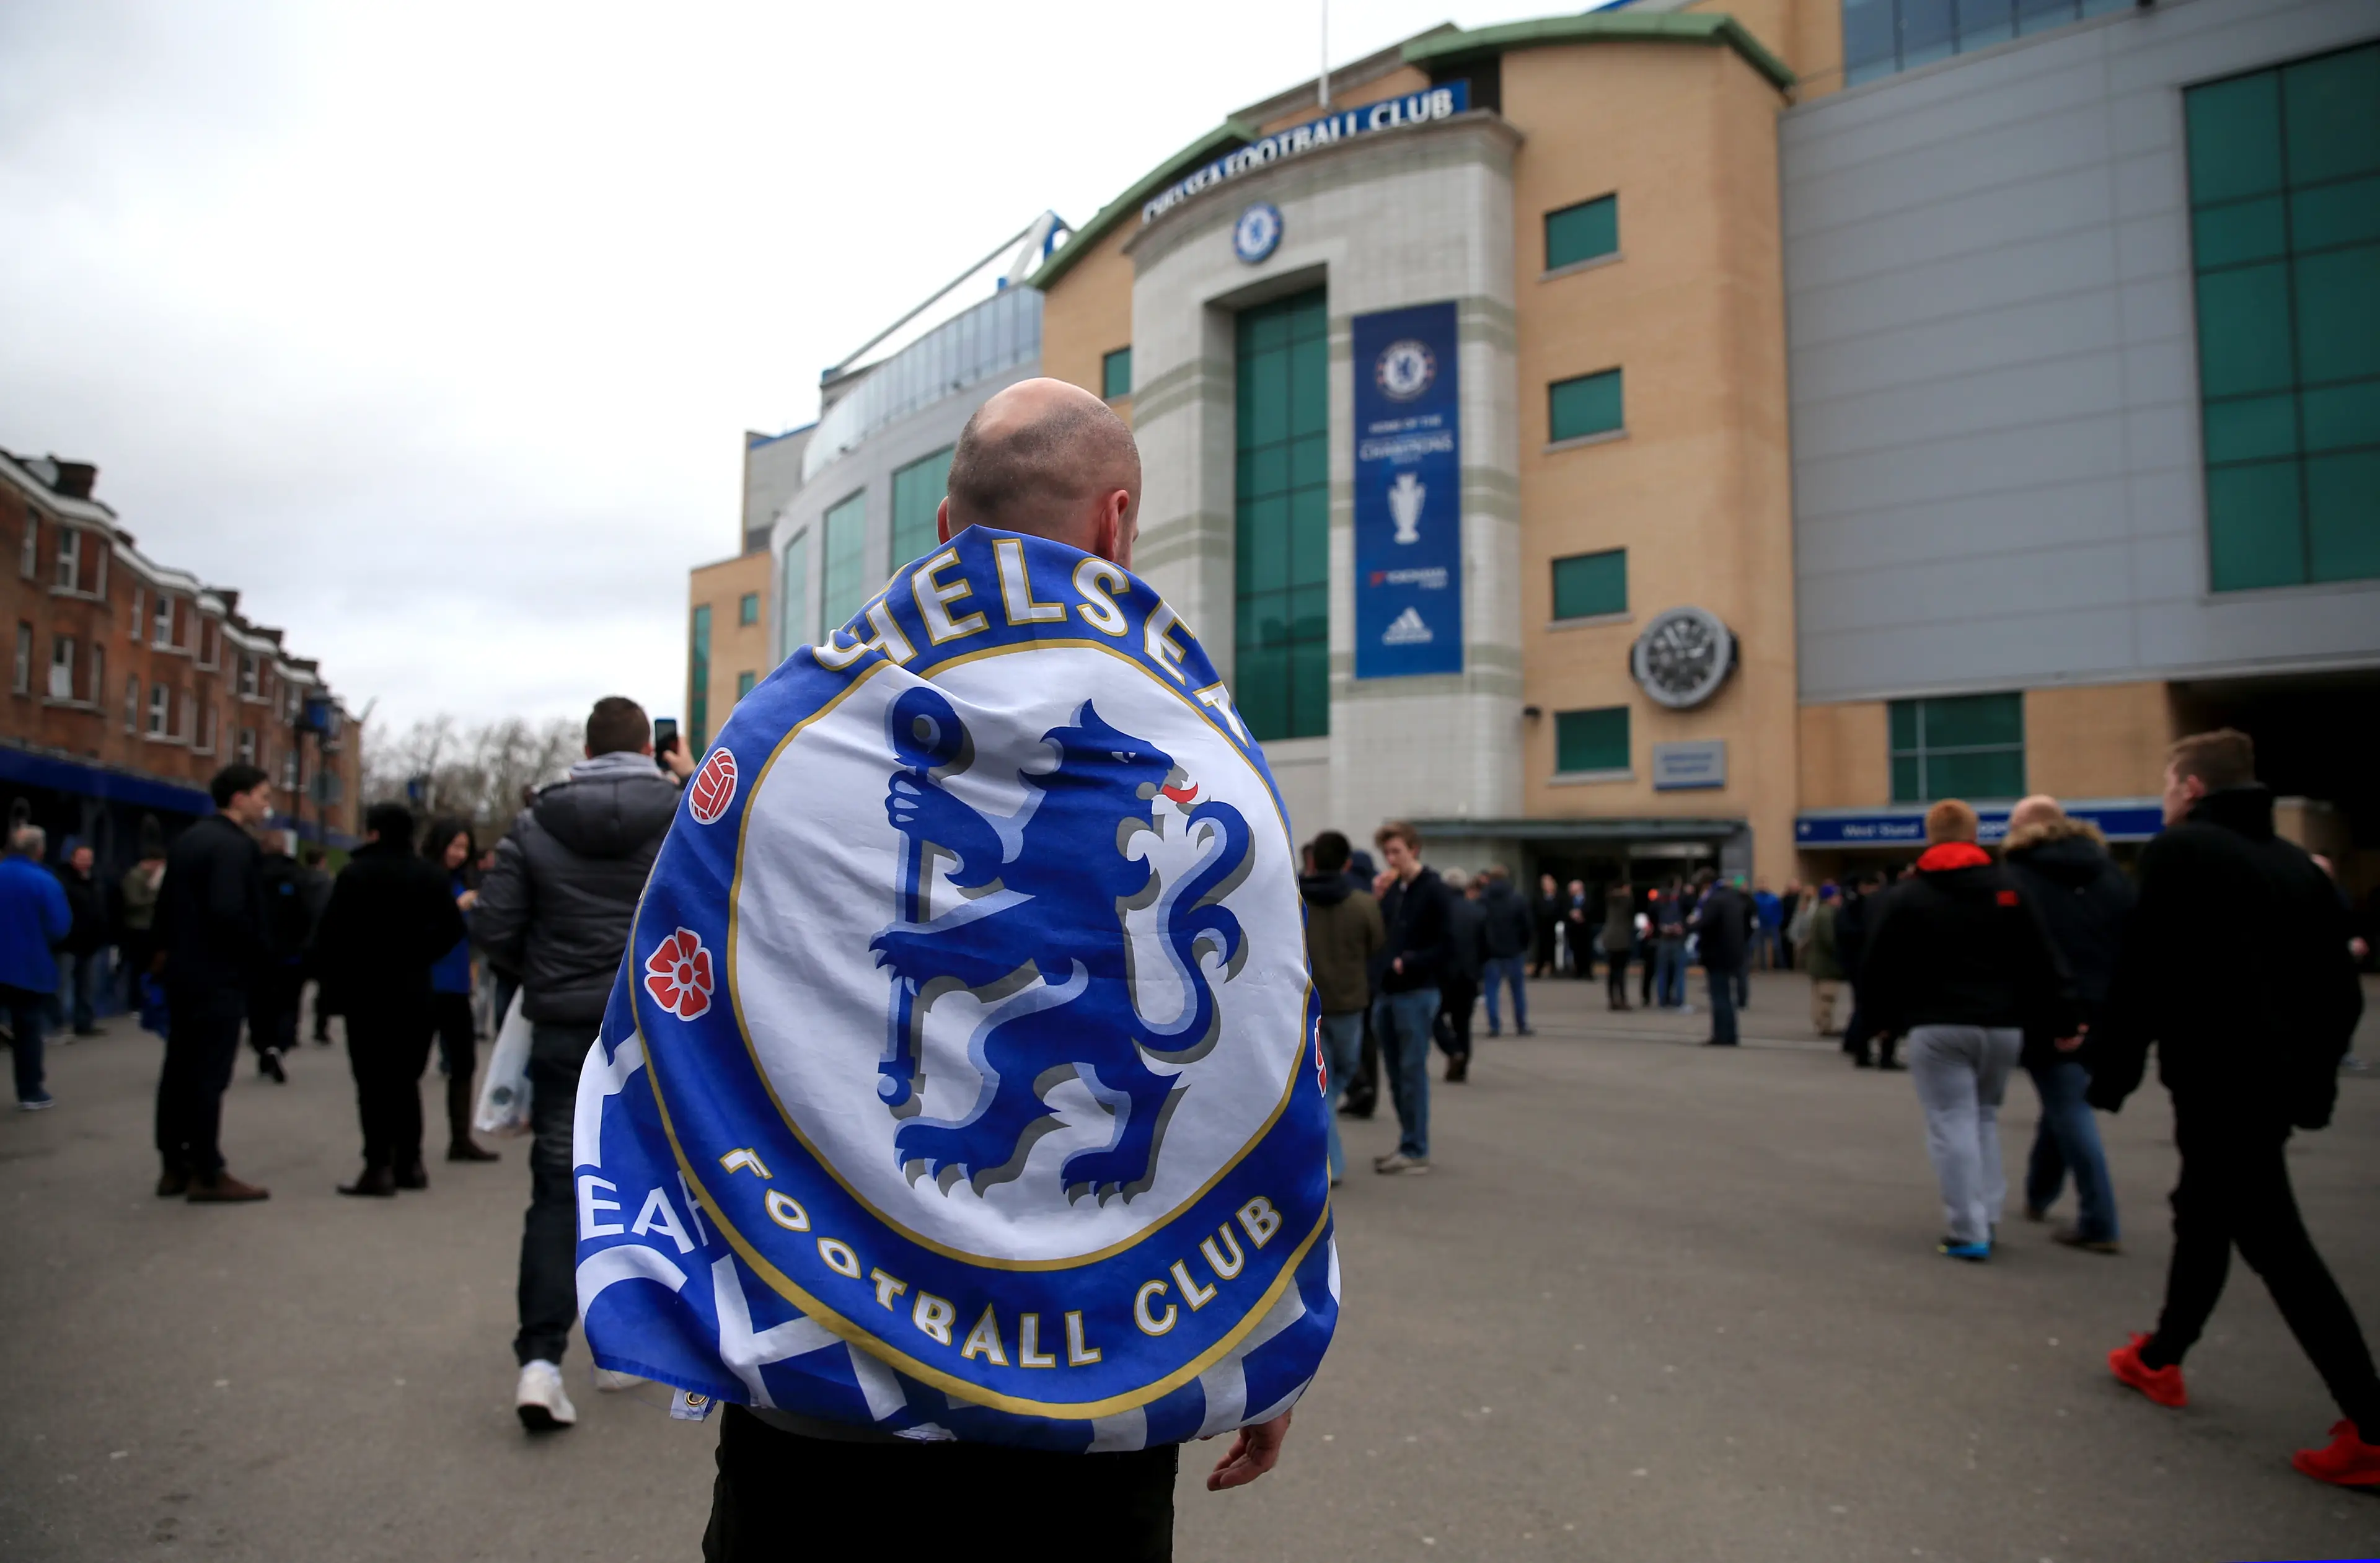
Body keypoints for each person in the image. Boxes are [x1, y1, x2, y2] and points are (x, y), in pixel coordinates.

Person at [684, 378, 1300, 1554]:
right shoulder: (1213, 753)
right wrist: (1261, 1344)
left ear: (944, 530)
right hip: (1092, 1402)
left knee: (1027, 1045)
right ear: (1119, 525)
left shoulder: (781, 735)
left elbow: (679, 1019)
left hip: (820, 1393)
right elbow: (1270, 1077)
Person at [2086, 730, 2379, 1488]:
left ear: (2188, 787)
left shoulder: (2183, 852)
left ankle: (2371, 1424)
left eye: (2164, 782)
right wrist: (2312, 1083)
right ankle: (2162, 1355)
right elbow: (2341, 992)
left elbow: (2146, 966)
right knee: (2204, 1212)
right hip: (2270, 1083)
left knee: (2277, 1244)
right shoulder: (2296, 868)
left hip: (2219, 1076)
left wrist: (2111, 1071)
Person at [477, 695, 686, 1430]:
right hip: (654, 1028)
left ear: (587, 746)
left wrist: (542, 973)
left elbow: (495, 924)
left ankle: (539, 1363)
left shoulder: (535, 821)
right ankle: (621, 1350)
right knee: (648, 1181)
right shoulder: (680, 807)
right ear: (647, 745)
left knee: (556, 1188)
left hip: (565, 1029)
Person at [1859, 799, 2074, 1261]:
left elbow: (1879, 964)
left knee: (1950, 1120)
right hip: (2001, 1024)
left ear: (1930, 835)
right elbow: (2041, 956)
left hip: (1938, 1023)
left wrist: (1879, 1021)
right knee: (1983, 1117)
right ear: (1976, 834)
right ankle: (1988, 1214)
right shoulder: (2008, 887)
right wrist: (2062, 1016)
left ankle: (1967, 1226)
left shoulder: (1910, 896)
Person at [314, 803, 470, 1196]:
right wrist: (419, 953)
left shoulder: (355, 875)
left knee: (372, 1082)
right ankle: (411, 1163)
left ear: (373, 832)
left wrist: (330, 992)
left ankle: (378, 1165)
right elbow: (452, 929)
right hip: (416, 990)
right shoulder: (430, 877)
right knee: (406, 1080)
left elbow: (330, 937)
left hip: (367, 993)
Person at [2000, 795, 2128, 1254]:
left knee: (2069, 1106)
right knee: (2063, 1100)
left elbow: (2019, 946)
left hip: (2052, 1005)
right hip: (2108, 1006)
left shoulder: (2020, 877)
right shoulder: (2110, 875)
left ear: (2025, 827)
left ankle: (2100, 1219)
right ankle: (2039, 1192)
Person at [153, 764, 275, 1201]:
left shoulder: (188, 840)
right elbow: (229, 911)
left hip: (184, 971)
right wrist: (258, 952)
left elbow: (165, 908)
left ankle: (174, 1163)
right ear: (238, 798)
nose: (267, 805)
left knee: (180, 1066)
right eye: (262, 796)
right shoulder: (234, 847)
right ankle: (208, 1169)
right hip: (219, 974)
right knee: (208, 1073)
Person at [1302, 830, 1382, 1186]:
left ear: (1313, 861)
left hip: (1309, 1001)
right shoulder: (1364, 904)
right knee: (1336, 1077)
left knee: (1325, 1083)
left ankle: (1324, 1149)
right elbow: (1376, 945)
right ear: (1348, 863)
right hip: (1349, 1002)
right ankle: (1331, 1157)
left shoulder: (1296, 899)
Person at [1370, 821, 1448, 1175]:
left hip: (1417, 990)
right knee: (1396, 1073)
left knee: (1412, 1071)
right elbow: (1380, 935)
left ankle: (1416, 1148)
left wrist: (1409, 961)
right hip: (1389, 991)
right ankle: (1407, 1143)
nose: (1391, 858)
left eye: (1397, 851)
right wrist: (1379, 898)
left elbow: (1447, 943)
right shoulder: (1394, 891)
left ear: (1414, 850)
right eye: (1387, 853)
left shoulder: (1432, 889)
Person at [424, 817, 497, 1163]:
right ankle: (403, 1145)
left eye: (464, 848)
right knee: (412, 1063)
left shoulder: (463, 881)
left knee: (464, 1062)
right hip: (425, 982)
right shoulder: (425, 879)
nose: (459, 854)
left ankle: (460, 1138)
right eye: (454, 846)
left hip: (456, 984)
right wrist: (458, 907)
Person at [0, 825, 73, 1108]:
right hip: (27, 968)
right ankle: (30, 1091)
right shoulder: (44, 881)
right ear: (39, 851)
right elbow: (59, 927)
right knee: (28, 1030)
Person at [247, 830, 313, 1081]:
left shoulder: (252, 874)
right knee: (287, 1001)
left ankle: (263, 1045)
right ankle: (280, 1044)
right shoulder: (298, 876)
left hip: (259, 952)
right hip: (291, 953)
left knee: (260, 1001)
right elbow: (307, 914)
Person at [50, 842, 108, 1038]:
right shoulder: (63, 881)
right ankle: (57, 1025)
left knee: (86, 986)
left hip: (89, 943)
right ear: (73, 859)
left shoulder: (94, 881)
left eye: (89, 858)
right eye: (82, 858)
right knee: (62, 985)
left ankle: (84, 1023)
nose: (86, 862)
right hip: (68, 942)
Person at [1434, 869, 1484, 1081]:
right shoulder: (1478, 912)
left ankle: (1453, 1050)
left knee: (1434, 1017)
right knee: (1463, 1022)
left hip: (1443, 974)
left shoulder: (1438, 912)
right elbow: (1486, 945)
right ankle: (1461, 1067)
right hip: (1469, 975)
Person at [1690, 870, 1749, 1046]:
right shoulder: (1733, 898)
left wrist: (1690, 924)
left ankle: (1721, 1036)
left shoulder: (1714, 900)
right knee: (1728, 997)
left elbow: (1705, 923)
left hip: (1716, 954)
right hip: (1733, 952)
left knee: (1719, 997)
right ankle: (1731, 1035)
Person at [1477, 865, 1533, 1038]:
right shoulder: (1517, 899)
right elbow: (1527, 926)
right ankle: (1521, 1024)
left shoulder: (1483, 900)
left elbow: (1478, 926)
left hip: (1491, 953)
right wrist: (1524, 945)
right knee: (1517, 991)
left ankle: (1494, 1026)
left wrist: (1481, 948)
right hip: (1514, 950)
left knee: (1491, 991)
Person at [115, 842, 165, 1008]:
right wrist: (154, 894)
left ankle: (145, 998)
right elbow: (133, 901)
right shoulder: (135, 877)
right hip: (136, 928)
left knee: (148, 965)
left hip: (149, 927)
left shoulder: (152, 878)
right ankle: (133, 1001)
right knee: (137, 966)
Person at [296, 847, 335, 1044]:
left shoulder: (297, 881)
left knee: (294, 988)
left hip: (298, 942)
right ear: (322, 862)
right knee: (324, 989)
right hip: (322, 943)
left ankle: (291, 1030)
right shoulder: (328, 884)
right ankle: (321, 1029)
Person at [1802, 884, 1845, 1035]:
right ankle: (1825, 1026)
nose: (1839, 899)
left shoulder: (1820, 912)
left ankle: (1820, 1022)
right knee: (1827, 996)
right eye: (1837, 896)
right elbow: (1831, 940)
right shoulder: (1828, 915)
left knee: (1818, 996)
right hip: (1827, 965)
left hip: (1818, 963)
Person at [1651, 883, 1689, 1011]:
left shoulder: (1658, 904)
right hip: (1677, 940)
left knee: (1663, 972)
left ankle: (1663, 1000)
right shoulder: (1678, 903)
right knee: (1679, 973)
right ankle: (1679, 1000)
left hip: (1664, 940)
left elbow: (1652, 919)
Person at [1602, 883, 1634, 1011]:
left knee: (1611, 971)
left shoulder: (1611, 900)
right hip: (1622, 940)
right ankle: (1622, 999)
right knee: (1621, 971)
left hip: (1610, 939)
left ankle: (1612, 999)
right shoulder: (1627, 901)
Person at [1530, 871, 1562, 980]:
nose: (1547, 886)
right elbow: (1534, 911)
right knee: (1541, 949)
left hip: (1555, 928)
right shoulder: (1538, 897)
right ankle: (1538, 969)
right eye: (1544, 883)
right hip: (1542, 928)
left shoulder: (1559, 897)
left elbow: (1562, 911)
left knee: (1555, 948)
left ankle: (1555, 969)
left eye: (1549, 883)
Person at [1753, 879, 1782, 972]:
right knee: (1761, 947)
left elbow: (1779, 911)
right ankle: (1763, 967)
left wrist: (1777, 922)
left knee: (1776, 946)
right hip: (1760, 926)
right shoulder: (1755, 898)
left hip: (1772, 925)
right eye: (1761, 884)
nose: (1763, 886)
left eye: (1764, 884)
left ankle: (1779, 966)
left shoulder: (1773, 898)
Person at [1776, 879, 1802, 972]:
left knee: (1795, 945)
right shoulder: (1785, 898)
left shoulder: (1800, 898)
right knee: (1786, 945)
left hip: (1796, 924)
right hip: (1785, 925)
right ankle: (1788, 965)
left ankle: (1795, 965)